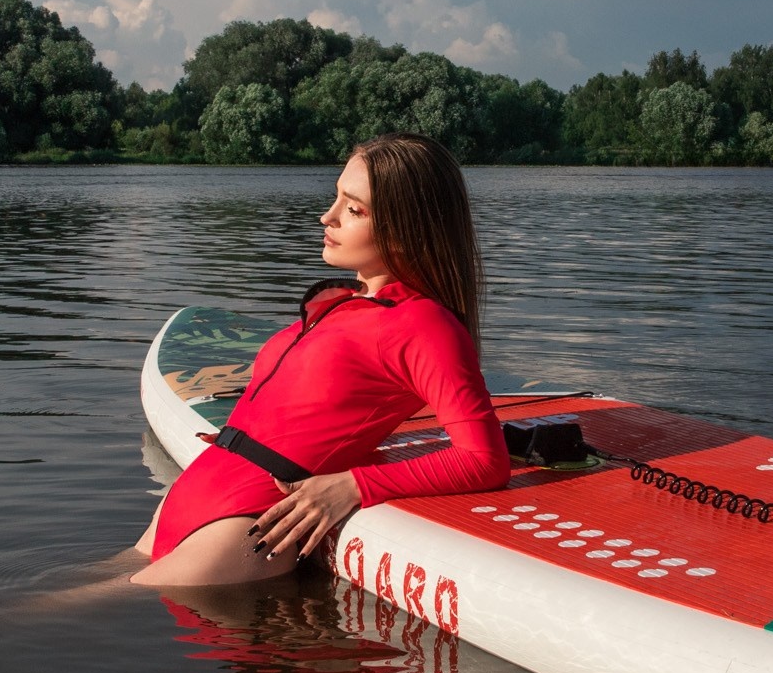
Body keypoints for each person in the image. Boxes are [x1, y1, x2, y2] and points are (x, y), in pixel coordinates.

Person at [131, 132, 511, 587]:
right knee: (69, 598)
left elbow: (485, 459)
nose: (326, 217)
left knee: (72, 618)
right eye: (336, 199)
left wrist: (352, 485)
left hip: (248, 523)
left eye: (353, 210)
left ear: (408, 226)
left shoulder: (424, 325)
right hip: (200, 488)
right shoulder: (344, 302)